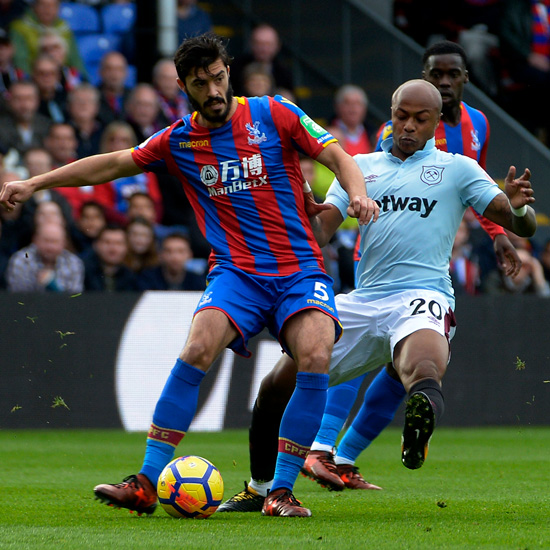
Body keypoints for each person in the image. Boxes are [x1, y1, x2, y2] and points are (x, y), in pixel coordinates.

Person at [0, 33, 376, 518]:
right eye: (201, 84)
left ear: (228, 73)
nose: (213, 90)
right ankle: (145, 481)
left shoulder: (274, 113)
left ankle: (280, 491)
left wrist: (358, 192)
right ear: (184, 87)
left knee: (316, 354)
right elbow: (112, 163)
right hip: (236, 273)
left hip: (299, 270)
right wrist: (34, 181)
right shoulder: (179, 139)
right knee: (197, 348)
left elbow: (338, 156)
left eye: (219, 78)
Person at [218, 78, 536, 512]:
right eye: (401, 116)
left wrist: (518, 208)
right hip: (362, 299)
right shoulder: (358, 165)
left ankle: (414, 424)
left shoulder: (457, 167)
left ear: (436, 122)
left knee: (421, 368)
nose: (408, 126)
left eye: (420, 119)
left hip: (422, 296)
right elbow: (322, 232)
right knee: (276, 387)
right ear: (390, 114)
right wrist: (304, 214)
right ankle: (258, 488)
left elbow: (519, 223)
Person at [9, 0, 86, 75]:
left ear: (59, 8)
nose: (47, 9)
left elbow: (75, 60)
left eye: (52, 5)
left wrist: (83, 81)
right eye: (43, 5)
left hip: (63, 78)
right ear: (34, 6)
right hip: (34, 79)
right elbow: (20, 62)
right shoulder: (19, 27)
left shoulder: (64, 27)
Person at [6, 219, 84, 292]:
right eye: (46, 241)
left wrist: (53, 285)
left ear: (64, 243)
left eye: (55, 242)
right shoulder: (21, 260)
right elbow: (17, 298)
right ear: (35, 240)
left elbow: (74, 301)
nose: (50, 247)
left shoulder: (73, 263)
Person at [230, 23, 294, 96]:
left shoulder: (284, 72)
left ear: (277, 45)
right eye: (259, 43)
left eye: (268, 44)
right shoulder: (236, 67)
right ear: (251, 44)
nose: (263, 49)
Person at [137, 232, 206, 291]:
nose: (175, 257)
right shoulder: (147, 279)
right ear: (161, 254)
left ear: (190, 255)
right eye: (169, 251)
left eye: (180, 251)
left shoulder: (198, 281)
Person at [0, 80, 51, 157]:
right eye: (18, 99)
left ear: (37, 100)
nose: (24, 105)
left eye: (29, 99)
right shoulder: (1, 127)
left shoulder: (48, 126)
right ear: (9, 101)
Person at [83, 223, 138, 291]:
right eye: (107, 242)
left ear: (126, 247)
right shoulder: (83, 272)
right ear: (96, 245)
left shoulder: (132, 277)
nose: (113, 249)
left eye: (118, 243)